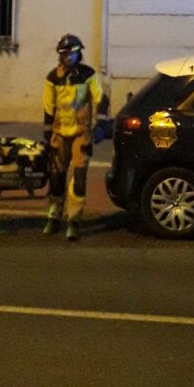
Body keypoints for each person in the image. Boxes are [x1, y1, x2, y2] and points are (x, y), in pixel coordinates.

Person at [42, 34, 109, 241]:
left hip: (81, 134)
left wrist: (101, 124)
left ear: (79, 53)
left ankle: (74, 220)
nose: (68, 57)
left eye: (72, 53)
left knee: (79, 178)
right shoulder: (52, 78)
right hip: (59, 134)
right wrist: (47, 137)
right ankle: (54, 215)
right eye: (65, 54)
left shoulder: (88, 75)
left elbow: (101, 99)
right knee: (56, 177)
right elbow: (48, 108)